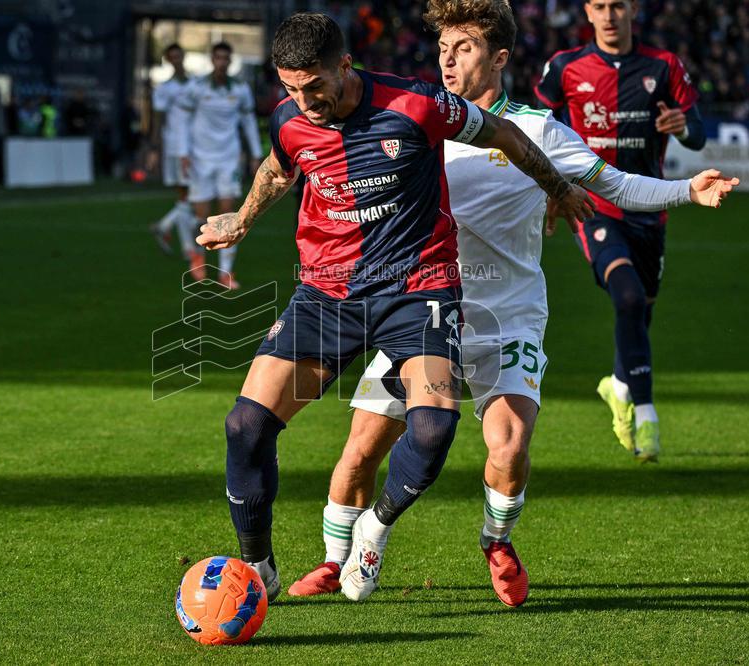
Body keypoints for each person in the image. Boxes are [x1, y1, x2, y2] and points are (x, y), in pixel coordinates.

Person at [285, 0, 737, 606]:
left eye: (464, 48)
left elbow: (617, 185)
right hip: (422, 315)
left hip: (508, 316)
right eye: (442, 48)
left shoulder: (538, 130)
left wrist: (688, 188)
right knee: (361, 449)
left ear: (499, 58)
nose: (447, 60)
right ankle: (333, 559)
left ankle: (496, 541)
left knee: (510, 445)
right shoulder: (417, 118)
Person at [195, 12, 594, 602]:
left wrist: (559, 188)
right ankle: (259, 570)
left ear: (344, 65)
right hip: (328, 293)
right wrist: (242, 219)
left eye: (315, 85)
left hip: (418, 291)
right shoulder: (289, 118)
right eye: (290, 88)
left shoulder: (416, 104)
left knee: (433, 428)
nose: (304, 100)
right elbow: (280, 167)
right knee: (245, 425)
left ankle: (374, 528)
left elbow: (505, 135)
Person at [534, 0, 707, 463]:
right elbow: (534, 131)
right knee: (627, 298)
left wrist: (684, 126)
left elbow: (699, 136)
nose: (609, 15)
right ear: (587, 12)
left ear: (632, 9)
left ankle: (619, 384)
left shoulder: (663, 66)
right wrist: (551, 185)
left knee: (640, 314)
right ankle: (646, 414)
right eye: (599, 6)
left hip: (650, 208)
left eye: (617, 5)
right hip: (595, 204)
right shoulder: (565, 68)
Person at [174, 42, 262, 289]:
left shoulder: (241, 89)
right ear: (212, 60)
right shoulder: (197, 87)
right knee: (200, 213)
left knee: (228, 214)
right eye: (218, 58)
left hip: (228, 159)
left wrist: (255, 154)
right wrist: (183, 152)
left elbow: (248, 121)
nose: (221, 62)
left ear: (230, 60)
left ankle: (225, 272)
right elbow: (183, 119)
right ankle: (198, 256)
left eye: (225, 58)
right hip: (201, 159)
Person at [148, 44, 199, 273]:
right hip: (176, 147)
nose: (177, 60)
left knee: (192, 195)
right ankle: (188, 248)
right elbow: (157, 119)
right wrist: (153, 147)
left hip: (198, 146)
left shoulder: (196, 84)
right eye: (172, 57)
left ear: (183, 57)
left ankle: (164, 226)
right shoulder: (164, 89)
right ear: (168, 60)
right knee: (186, 195)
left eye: (179, 56)